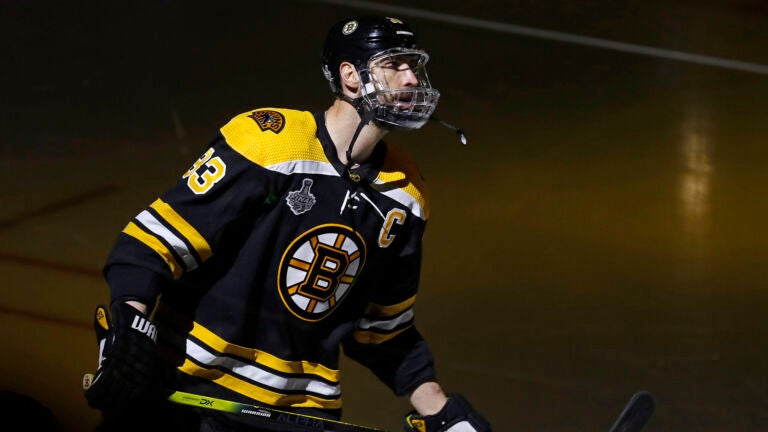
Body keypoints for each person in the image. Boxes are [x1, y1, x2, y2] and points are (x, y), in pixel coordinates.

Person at [84, 14, 491, 432]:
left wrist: (440, 411)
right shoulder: (268, 143)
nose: (411, 81)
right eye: (395, 65)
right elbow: (149, 246)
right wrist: (129, 332)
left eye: (414, 67)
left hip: (299, 414)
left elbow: (383, 331)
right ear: (350, 76)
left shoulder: (406, 195)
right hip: (185, 389)